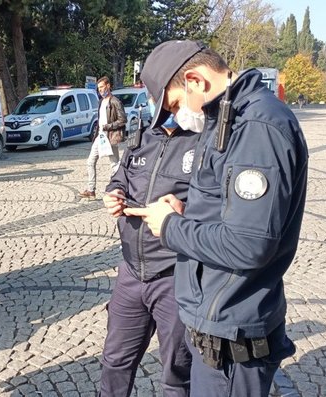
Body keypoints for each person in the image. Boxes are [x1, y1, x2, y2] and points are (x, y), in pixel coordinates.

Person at [126, 40, 308, 397]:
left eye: (176, 104)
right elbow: (227, 212)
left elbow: (248, 244)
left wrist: (171, 227)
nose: (178, 116)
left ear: (196, 80)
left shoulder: (255, 126)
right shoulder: (224, 116)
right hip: (216, 321)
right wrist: (186, 213)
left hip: (232, 333)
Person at [100, 104, 197, 396]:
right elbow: (120, 178)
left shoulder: (203, 142)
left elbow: (218, 208)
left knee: (176, 371)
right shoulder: (141, 137)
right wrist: (113, 192)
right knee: (114, 362)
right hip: (131, 271)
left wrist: (185, 212)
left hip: (174, 274)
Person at [78, 76, 126, 199]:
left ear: (108, 86)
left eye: (102, 87)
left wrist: (108, 126)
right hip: (100, 136)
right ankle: (91, 190)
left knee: (114, 164)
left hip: (110, 136)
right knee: (90, 161)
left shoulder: (115, 101)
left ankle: (118, 189)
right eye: (98, 88)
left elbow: (122, 120)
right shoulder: (101, 101)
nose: (100, 90)